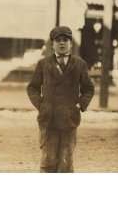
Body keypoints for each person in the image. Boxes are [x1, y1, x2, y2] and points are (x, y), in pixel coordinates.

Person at [27, 26, 94, 173]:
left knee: (66, 161)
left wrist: (80, 105)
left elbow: (89, 88)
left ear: (71, 44)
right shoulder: (43, 64)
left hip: (69, 120)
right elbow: (32, 88)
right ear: (52, 44)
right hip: (48, 119)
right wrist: (42, 105)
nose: (62, 43)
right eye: (58, 40)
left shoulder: (80, 64)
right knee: (48, 161)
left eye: (65, 40)